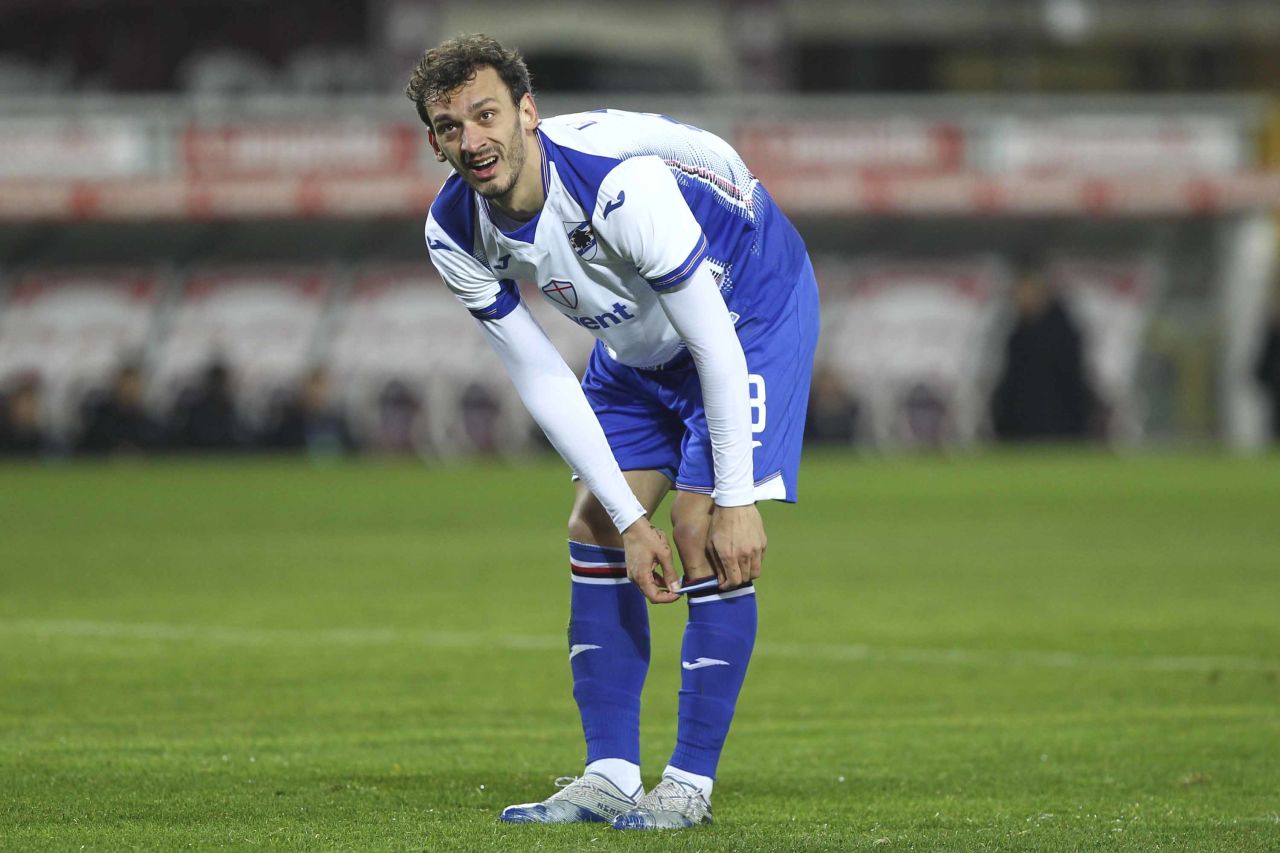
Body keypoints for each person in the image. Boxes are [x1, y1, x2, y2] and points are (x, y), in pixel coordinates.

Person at [406, 34, 820, 831]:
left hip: (748, 308)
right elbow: (541, 374)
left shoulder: (620, 186)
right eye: (450, 127)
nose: (473, 140)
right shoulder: (452, 230)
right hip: (635, 338)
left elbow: (714, 343)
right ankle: (608, 774)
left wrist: (736, 497)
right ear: (434, 140)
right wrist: (631, 522)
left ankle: (688, 783)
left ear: (528, 113)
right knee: (594, 522)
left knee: (702, 529)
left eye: (487, 114)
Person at [991, 262, 1094, 442]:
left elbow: (1073, 380)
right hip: (1020, 425)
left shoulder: (1063, 331)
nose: (1021, 297)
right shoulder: (1016, 332)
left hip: (1060, 423)